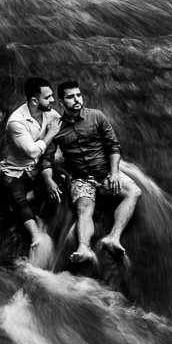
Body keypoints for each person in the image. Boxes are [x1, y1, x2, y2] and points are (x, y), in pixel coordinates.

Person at [40, 81, 141, 264]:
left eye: (78, 95)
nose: (76, 100)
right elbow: (46, 159)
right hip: (81, 178)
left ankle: (114, 238)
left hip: (105, 174)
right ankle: (84, 248)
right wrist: (48, 179)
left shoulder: (97, 116)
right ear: (61, 102)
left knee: (134, 191)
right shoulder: (56, 127)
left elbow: (113, 146)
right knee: (84, 209)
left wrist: (115, 173)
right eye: (70, 97)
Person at [0, 77, 61, 263]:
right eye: (48, 97)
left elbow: (64, 132)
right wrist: (51, 134)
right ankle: (36, 236)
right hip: (16, 170)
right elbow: (32, 151)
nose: (52, 100)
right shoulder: (16, 122)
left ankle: (32, 197)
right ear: (34, 101)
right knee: (16, 196)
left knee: (62, 180)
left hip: (38, 167)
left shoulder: (51, 114)